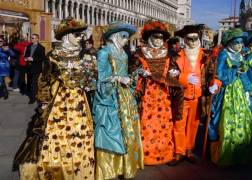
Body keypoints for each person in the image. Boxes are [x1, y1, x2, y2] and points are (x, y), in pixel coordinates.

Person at [13, 17, 96, 179]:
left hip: (79, 101)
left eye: (81, 35)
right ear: (66, 35)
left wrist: (89, 80)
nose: (81, 38)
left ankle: (79, 169)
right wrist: (44, 101)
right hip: (59, 101)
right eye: (77, 34)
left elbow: (91, 81)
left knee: (80, 132)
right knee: (56, 136)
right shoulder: (54, 56)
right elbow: (44, 80)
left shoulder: (84, 56)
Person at [93, 21, 143, 179]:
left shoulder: (123, 53)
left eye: (127, 37)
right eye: (123, 36)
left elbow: (125, 73)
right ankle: (109, 168)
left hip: (125, 96)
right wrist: (118, 78)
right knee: (111, 128)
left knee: (128, 130)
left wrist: (134, 75)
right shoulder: (104, 53)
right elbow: (100, 78)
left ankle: (125, 166)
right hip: (110, 97)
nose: (126, 40)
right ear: (114, 36)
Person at [130, 21, 183, 165]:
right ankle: (147, 155)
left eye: (161, 37)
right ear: (149, 37)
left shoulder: (168, 54)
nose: (158, 40)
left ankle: (163, 153)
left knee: (164, 123)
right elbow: (132, 71)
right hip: (147, 93)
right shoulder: (140, 53)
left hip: (163, 94)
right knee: (147, 122)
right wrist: (141, 71)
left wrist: (175, 72)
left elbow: (175, 69)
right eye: (155, 37)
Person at [169, 25, 221, 165]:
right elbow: (170, 75)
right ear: (184, 40)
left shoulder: (206, 56)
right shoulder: (176, 56)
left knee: (193, 125)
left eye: (195, 39)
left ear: (198, 39)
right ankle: (179, 152)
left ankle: (189, 150)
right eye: (189, 39)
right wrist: (184, 78)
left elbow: (213, 74)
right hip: (181, 96)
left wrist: (215, 85)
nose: (192, 42)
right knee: (179, 124)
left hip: (198, 97)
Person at [209, 28, 252, 166]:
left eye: (241, 42)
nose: (239, 45)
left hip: (240, 91)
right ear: (229, 43)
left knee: (241, 119)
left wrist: (248, 90)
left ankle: (238, 152)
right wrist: (235, 71)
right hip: (227, 90)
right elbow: (219, 74)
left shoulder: (241, 56)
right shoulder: (224, 54)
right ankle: (224, 152)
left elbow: (245, 75)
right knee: (223, 118)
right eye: (236, 42)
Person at [24, 33, 46, 104]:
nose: (31, 39)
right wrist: (26, 58)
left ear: (37, 39)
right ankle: (33, 94)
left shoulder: (41, 48)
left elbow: (42, 58)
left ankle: (33, 98)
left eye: (33, 38)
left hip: (36, 68)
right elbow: (26, 55)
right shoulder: (29, 46)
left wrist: (33, 59)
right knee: (29, 82)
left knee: (34, 83)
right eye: (31, 38)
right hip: (29, 67)